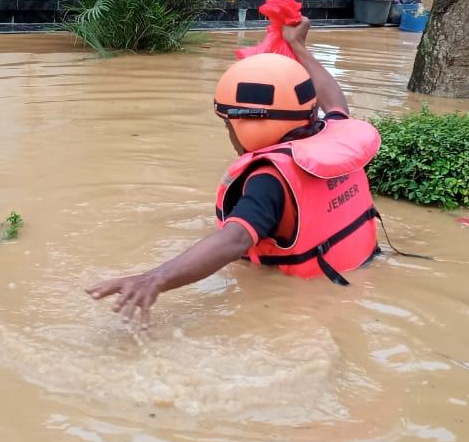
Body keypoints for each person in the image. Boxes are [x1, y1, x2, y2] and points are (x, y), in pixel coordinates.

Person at [87, 20, 383, 327]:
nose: (229, 135)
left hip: (302, 308)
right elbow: (334, 101)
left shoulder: (270, 179)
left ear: (249, 126)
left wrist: (154, 279)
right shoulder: (336, 136)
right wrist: (298, 47)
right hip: (358, 277)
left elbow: (235, 240)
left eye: (228, 125)